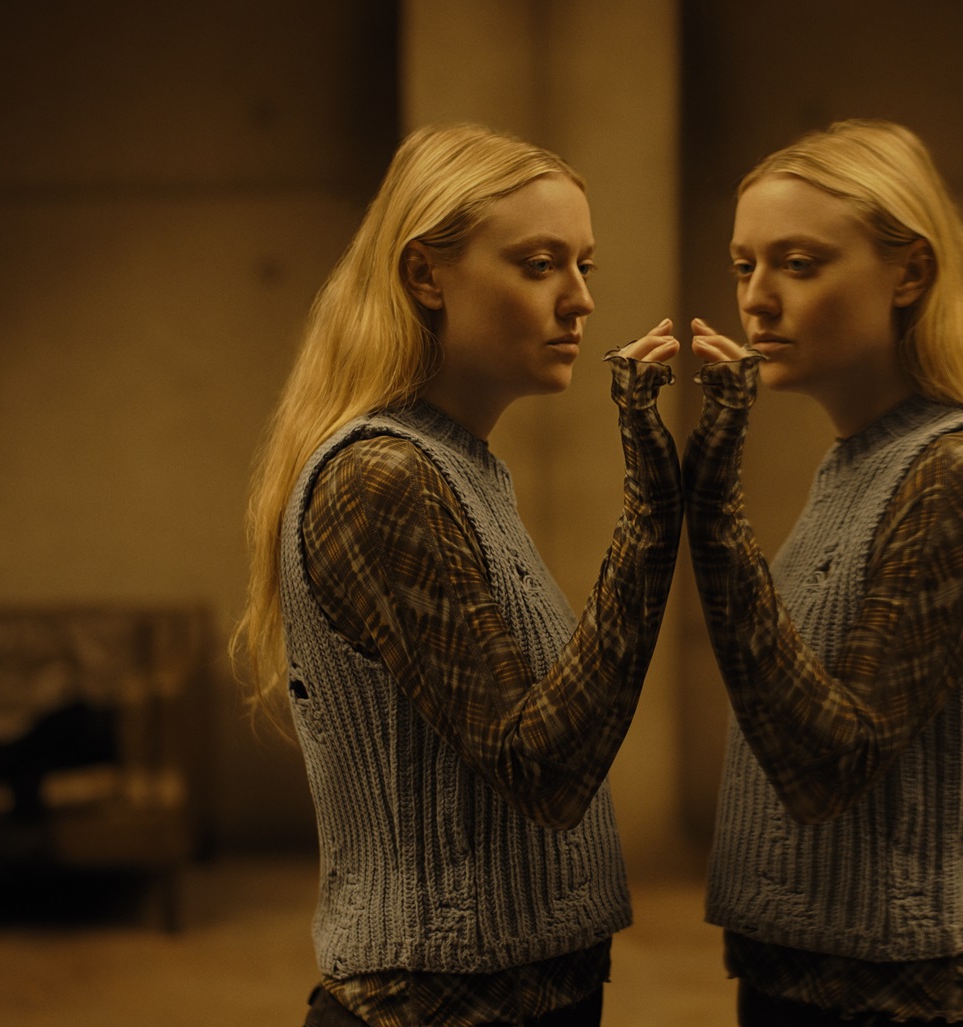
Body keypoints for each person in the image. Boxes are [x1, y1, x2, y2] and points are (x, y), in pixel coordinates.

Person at [231, 123, 682, 1027]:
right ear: (425, 275)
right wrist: (653, 514)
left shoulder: (458, 469)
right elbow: (544, 767)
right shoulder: (381, 477)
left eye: (583, 264)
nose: (580, 298)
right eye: (539, 264)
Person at [684, 119, 963, 1026]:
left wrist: (712, 518)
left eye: (799, 264)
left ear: (909, 273)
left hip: (913, 999)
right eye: (744, 265)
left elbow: (827, 765)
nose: (757, 299)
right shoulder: (861, 462)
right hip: (803, 986)